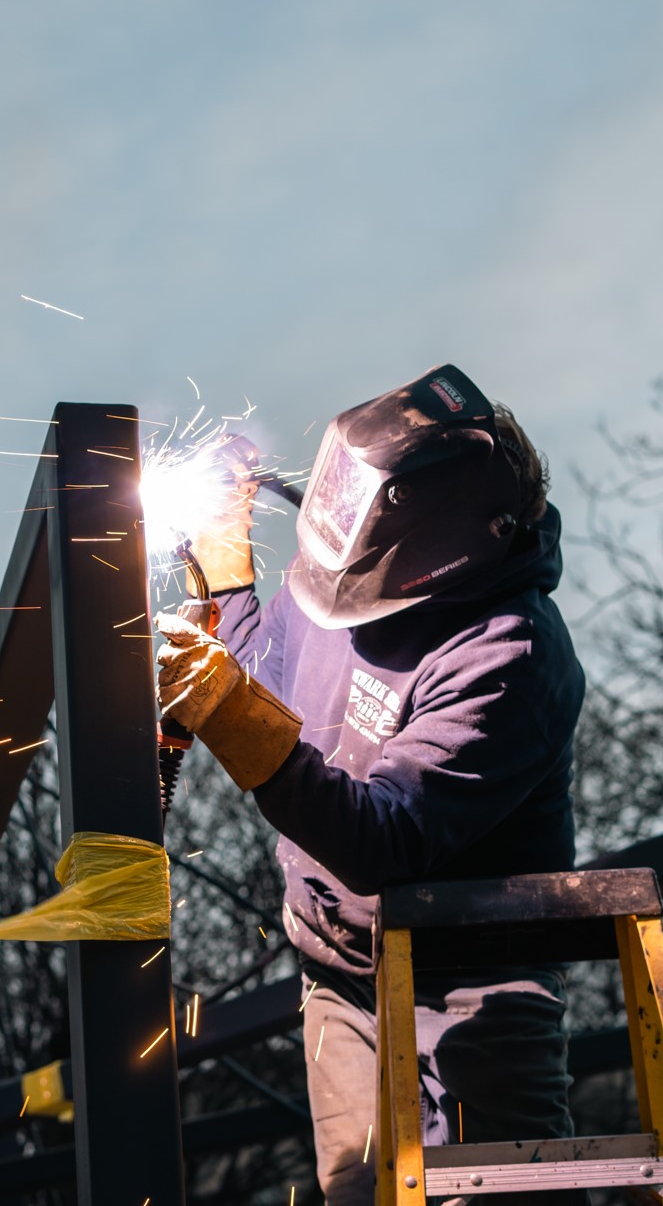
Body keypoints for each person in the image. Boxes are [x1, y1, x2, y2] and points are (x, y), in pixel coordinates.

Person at [155, 364, 587, 1206]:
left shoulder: (507, 657)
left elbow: (382, 840)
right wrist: (229, 579)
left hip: (473, 992)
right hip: (341, 976)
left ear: (432, 552)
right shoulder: (344, 573)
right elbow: (269, 687)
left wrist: (223, 707)